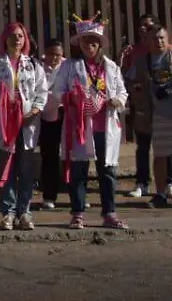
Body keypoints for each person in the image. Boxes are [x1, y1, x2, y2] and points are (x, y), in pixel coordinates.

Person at [53, 14, 129, 230]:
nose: (89, 44)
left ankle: (109, 213)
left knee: (107, 171)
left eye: (94, 40)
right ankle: (77, 213)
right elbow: (57, 91)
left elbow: (123, 92)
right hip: (81, 126)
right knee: (79, 170)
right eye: (85, 40)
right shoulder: (69, 67)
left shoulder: (111, 67)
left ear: (100, 44)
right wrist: (71, 98)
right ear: (79, 43)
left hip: (105, 126)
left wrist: (118, 100)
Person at [0, 23, 47, 231]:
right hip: (5, 122)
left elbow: (41, 92)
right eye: (12, 36)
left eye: (20, 36)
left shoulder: (34, 65)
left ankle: (25, 211)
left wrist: (35, 111)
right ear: (5, 39)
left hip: (27, 122)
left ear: (25, 39)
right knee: (7, 169)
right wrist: (3, 103)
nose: (16, 40)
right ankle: (8, 213)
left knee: (27, 170)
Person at [126, 23, 172, 207]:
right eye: (154, 38)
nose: (159, 41)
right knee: (160, 155)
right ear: (147, 41)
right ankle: (160, 194)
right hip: (157, 114)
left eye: (162, 38)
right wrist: (137, 92)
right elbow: (128, 81)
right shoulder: (141, 61)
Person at [39, 39, 67, 210]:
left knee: (72, 155)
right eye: (51, 55)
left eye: (58, 55)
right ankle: (49, 195)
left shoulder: (68, 66)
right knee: (49, 155)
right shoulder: (38, 67)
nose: (55, 59)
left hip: (65, 113)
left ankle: (74, 194)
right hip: (45, 115)